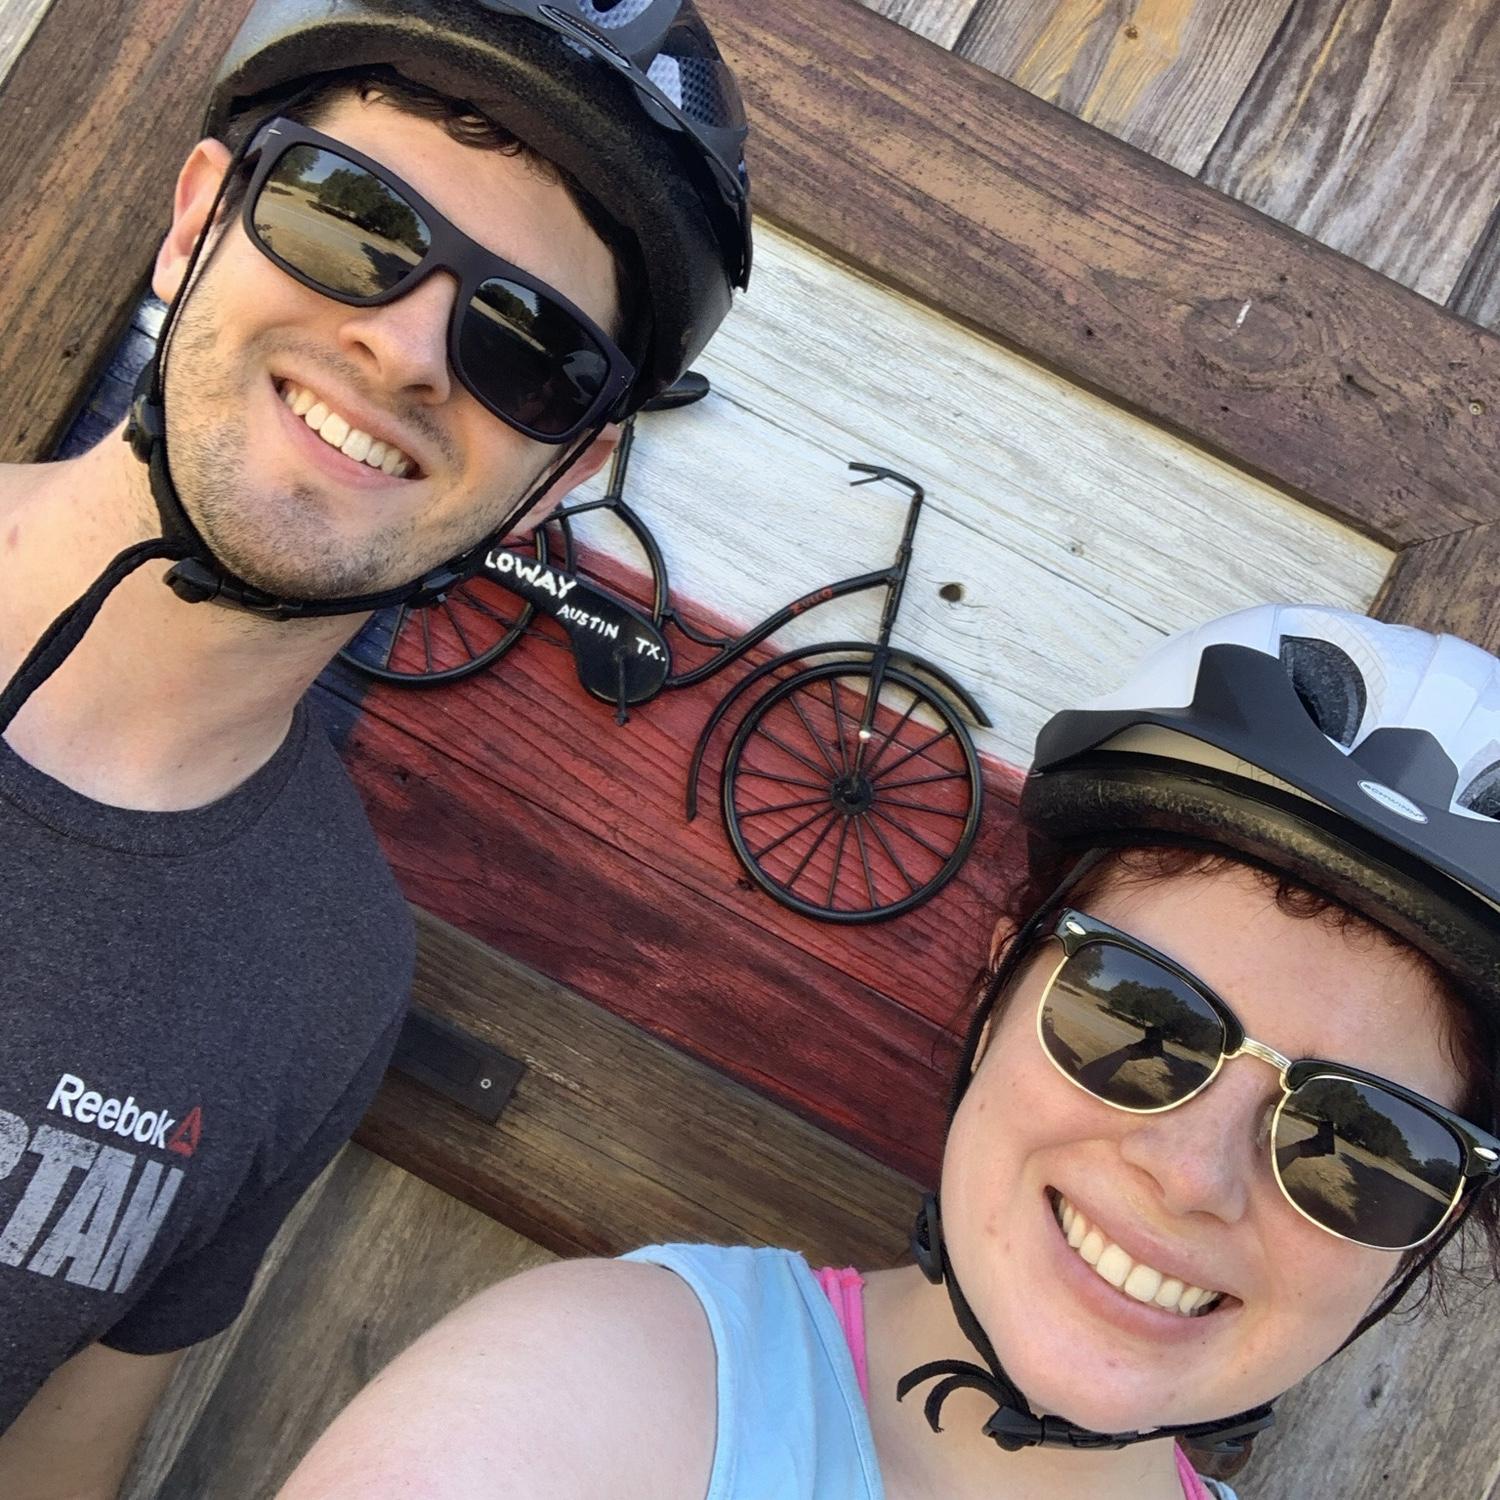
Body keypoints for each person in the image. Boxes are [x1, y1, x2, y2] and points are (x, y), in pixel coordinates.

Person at [0, 1, 750, 1492]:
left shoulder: (327, 969)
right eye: (354, 221)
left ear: (564, 474)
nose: (408, 347)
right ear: (200, 216)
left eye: (526, 345)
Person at [274, 602, 1500, 1499]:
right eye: (1139, 1015)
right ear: (995, 988)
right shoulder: (592, 1403)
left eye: (1359, 1143)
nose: (1191, 1172)